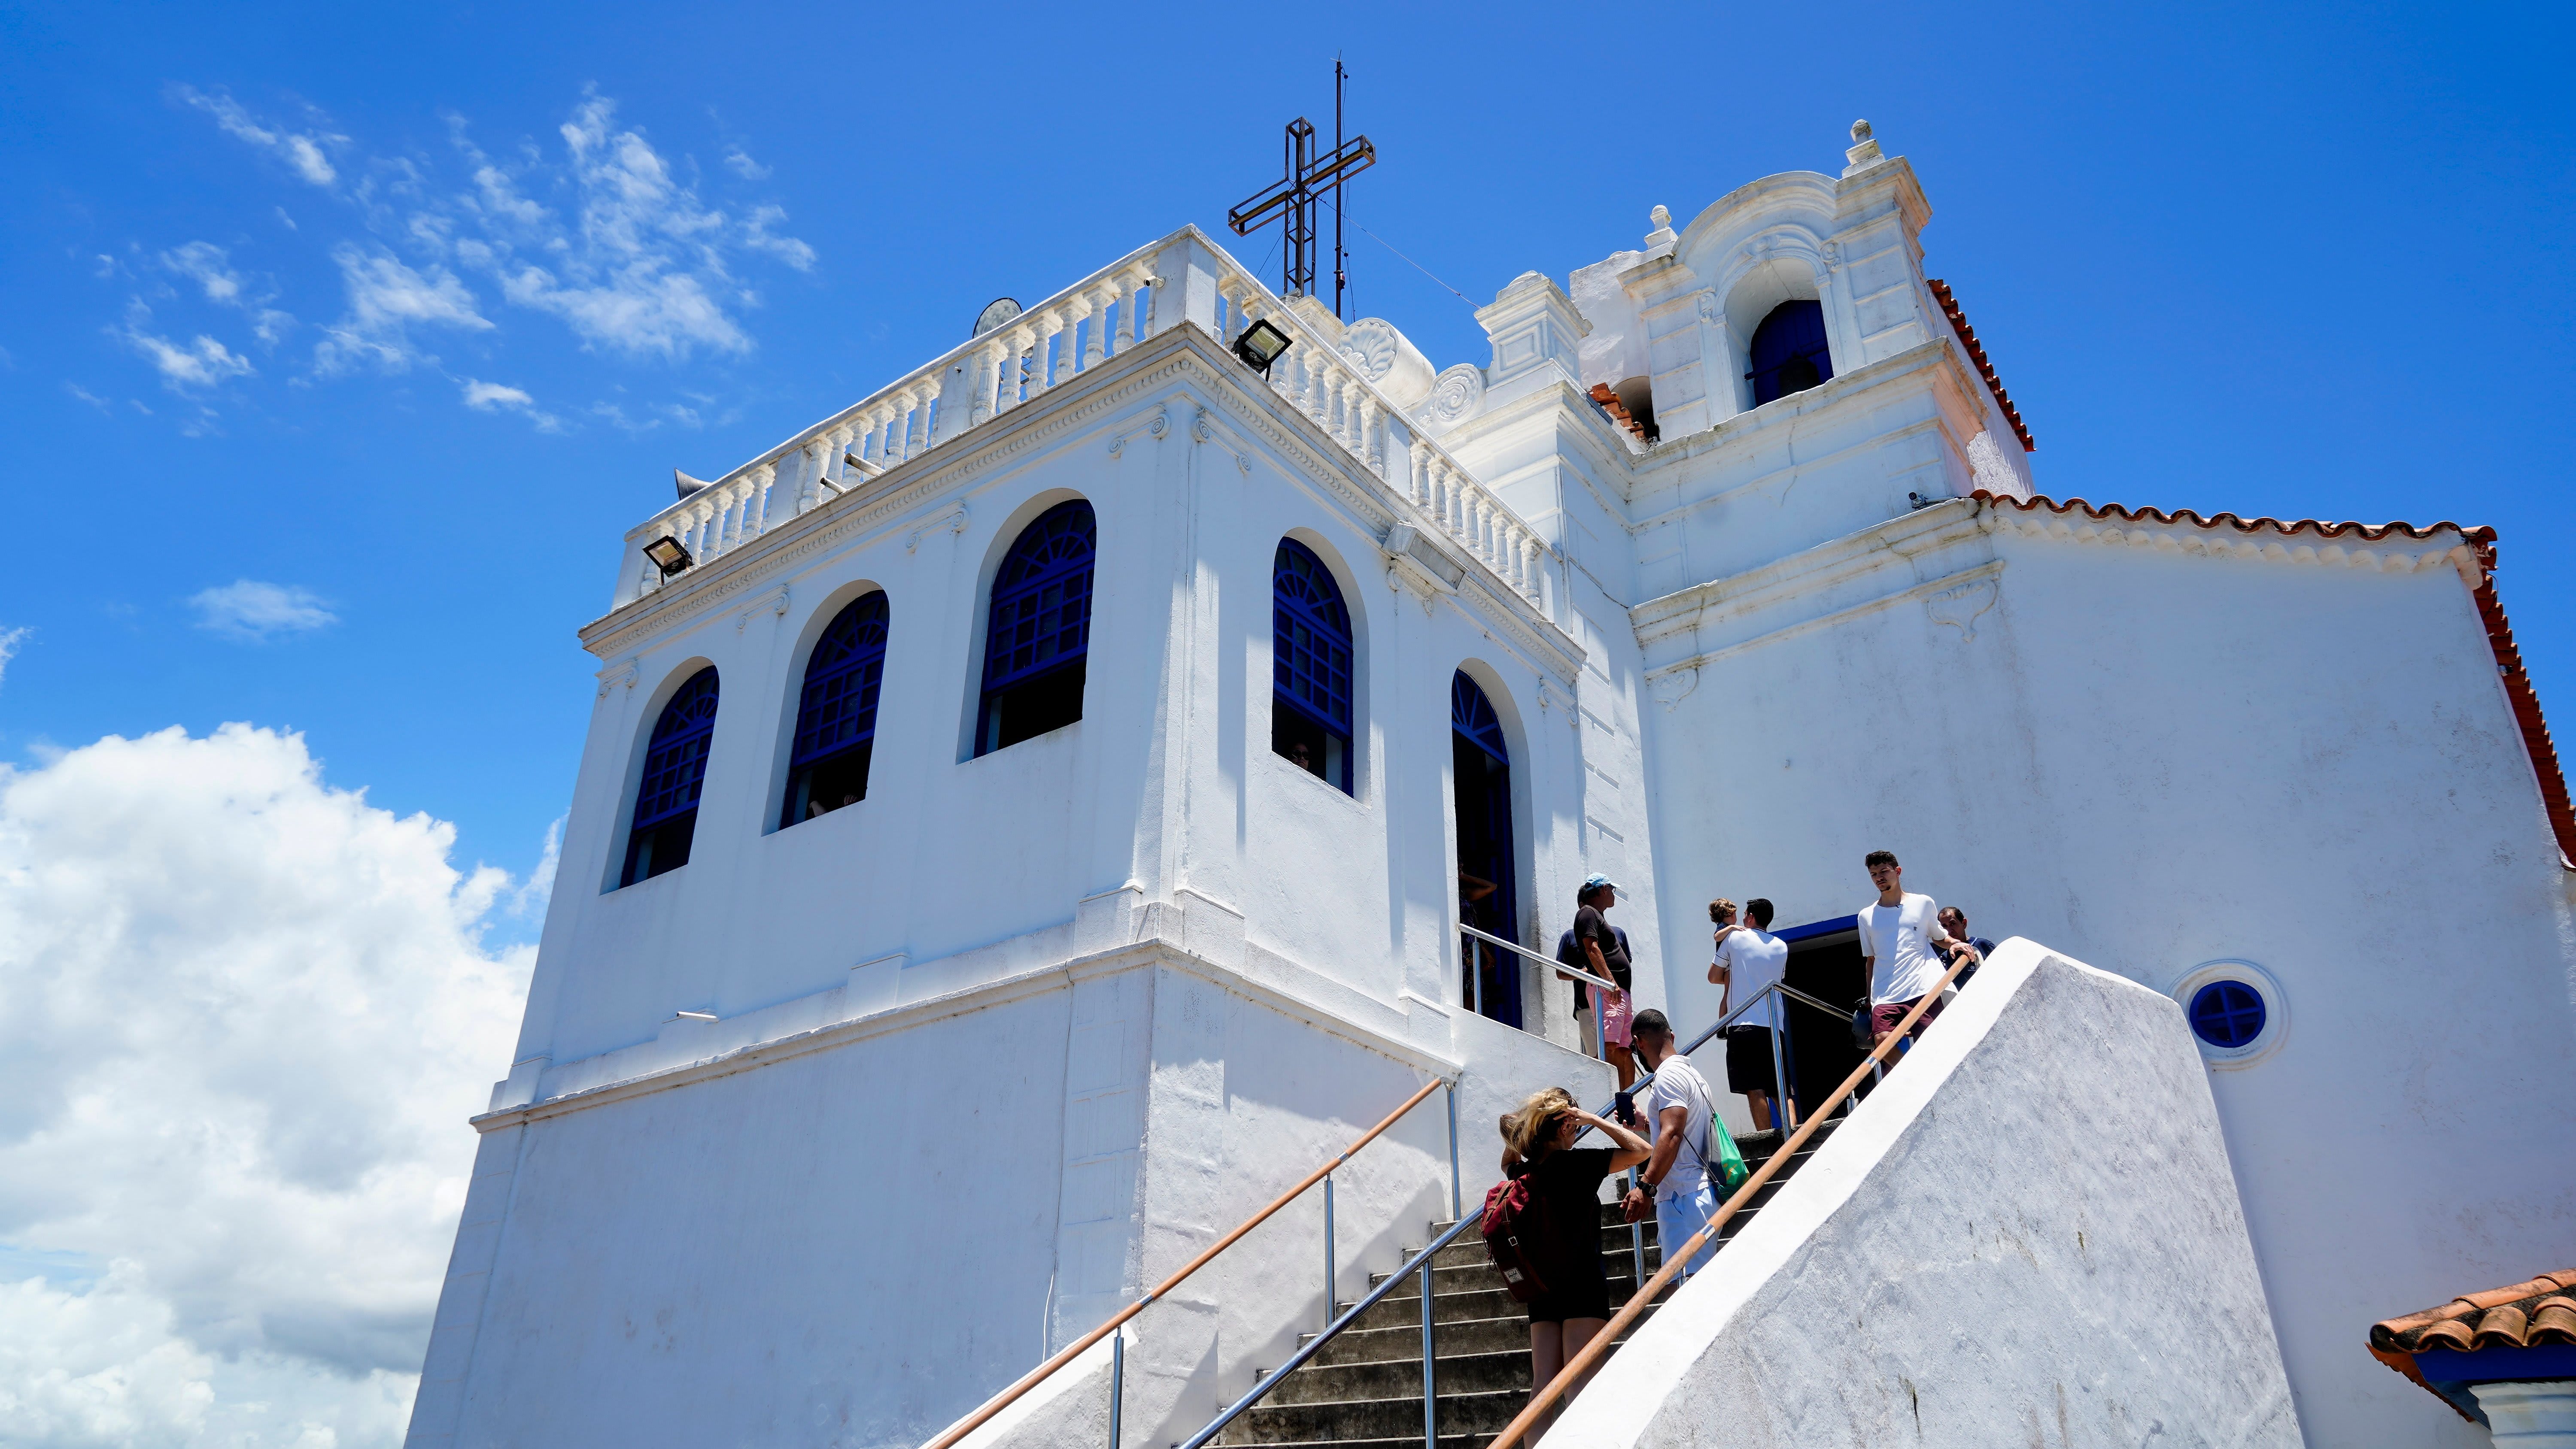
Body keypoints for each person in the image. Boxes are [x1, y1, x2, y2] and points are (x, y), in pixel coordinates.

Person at [1498, 1086, 1651, 1430]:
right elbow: (1642, 1151)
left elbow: (1507, 1160)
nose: (1579, 1133)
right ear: (1567, 1125)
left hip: (1541, 1290)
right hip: (1583, 1286)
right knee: (1580, 1390)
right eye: (1576, 1126)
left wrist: (1526, 1130)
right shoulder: (1579, 1164)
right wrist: (1593, 1118)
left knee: (1542, 1389)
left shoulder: (1525, 1172)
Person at [1619, 1010, 1724, 1281]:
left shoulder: (1667, 1077)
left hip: (1684, 1197)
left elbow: (1673, 1135)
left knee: (1685, 1288)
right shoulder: (1693, 1075)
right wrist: (1646, 1124)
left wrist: (1645, 1187)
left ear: (1639, 1042)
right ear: (1671, 1036)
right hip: (1692, 1193)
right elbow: (1680, 1130)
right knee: (1679, 1285)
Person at [1859, 850, 1979, 1058]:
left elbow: (1939, 936)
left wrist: (1954, 944)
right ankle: (1909, 1076)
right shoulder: (1866, 916)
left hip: (1923, 987)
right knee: (1882, 1039)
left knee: (1935, 1042)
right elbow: (1871, 960)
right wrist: (1870, 1000)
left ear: (1898, 871)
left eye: (1884, 871)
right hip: (1886, 994)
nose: (1879, 878)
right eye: (1874, 874)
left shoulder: (1923, 903)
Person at [1710, 898, 1797, 1129]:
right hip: (1774, 1024)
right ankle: (1796, 1141)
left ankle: (1768, 1146)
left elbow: (1713, 976)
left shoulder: (1734, 937)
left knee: (1755, 1088)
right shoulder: (1781, 946)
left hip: (1744, 1023)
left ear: (1750, 916)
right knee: (1781, 1087)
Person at [1568, 874, 1637, 1090]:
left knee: (1626, 1048)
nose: (1614, 895)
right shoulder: (1587, 913)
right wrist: (1610, 981)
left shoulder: (1596, 915)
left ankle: (1628, 1102)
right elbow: (1591, 948)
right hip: (1609, 991)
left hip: (1619, 992)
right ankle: (1612, 1101)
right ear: (1604, 889)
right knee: (1611, 1046)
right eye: (1612, 890)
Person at [1937, 906, 1996, 987]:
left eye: (1953, 924)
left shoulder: (1982, 945)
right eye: (1945, 926)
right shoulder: (1945, 958)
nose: (1949, 930)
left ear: (1964, 923)